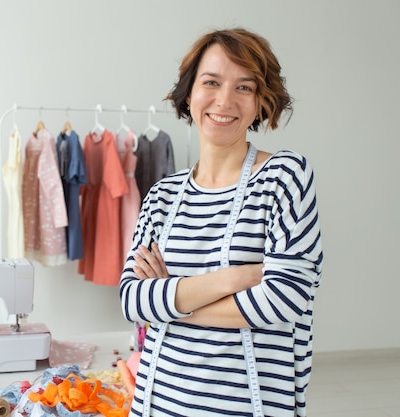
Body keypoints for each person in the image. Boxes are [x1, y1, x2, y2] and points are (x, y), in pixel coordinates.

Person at [119, 28, 323, 417]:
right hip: (157, 401)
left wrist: (169, 299)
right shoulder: (162, 195)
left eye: (244, 88)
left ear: (262, 101)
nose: (224, 100)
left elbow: (284, 298)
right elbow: (132, 300)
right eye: (211, 82)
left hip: (249, 404)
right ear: (190, 93)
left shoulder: (285, 176)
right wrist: (233, 280)